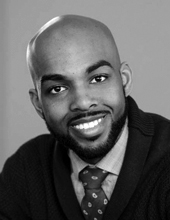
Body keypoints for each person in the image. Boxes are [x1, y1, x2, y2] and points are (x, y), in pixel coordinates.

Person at [0, 14, 170, 220]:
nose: (81, 102)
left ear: (124, 81)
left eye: (98, 78)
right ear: (38, 104)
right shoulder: (24, 171)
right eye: (57, 88)